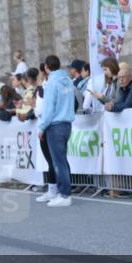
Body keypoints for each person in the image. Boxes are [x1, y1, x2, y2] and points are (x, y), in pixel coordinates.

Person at [36, 55, 75, 207]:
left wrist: (42, 127)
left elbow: (49, 108)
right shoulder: (68, 80)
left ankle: (65, 195)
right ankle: (63, 192)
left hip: (55, 124)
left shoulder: (52, 82)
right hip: (67, 123)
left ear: (46, 67)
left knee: (58, 162)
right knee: (62, 160)